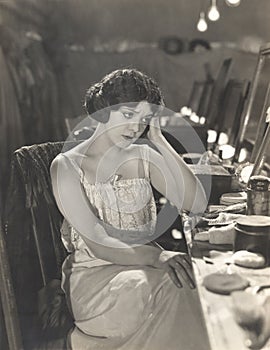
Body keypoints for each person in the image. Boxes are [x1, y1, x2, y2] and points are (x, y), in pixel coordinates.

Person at [50, 68, 208, 350]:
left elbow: (195, 203)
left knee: (188, 283)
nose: (136, 128)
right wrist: (158, 259)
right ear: (103, 110)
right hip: (95, 277)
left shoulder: (144, 155)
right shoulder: (67, 165)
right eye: (127, 115)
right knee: (172, 286)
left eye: (144, 119)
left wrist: (160, 141)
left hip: (144, 267)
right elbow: (100, 244)